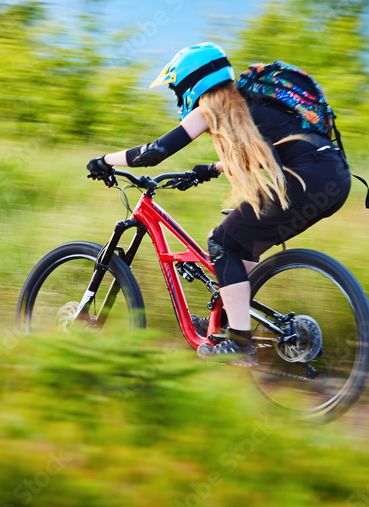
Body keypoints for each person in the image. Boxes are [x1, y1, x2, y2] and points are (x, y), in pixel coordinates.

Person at [86, 42, 352, 365]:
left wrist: (105, 160)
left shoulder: (210, 108)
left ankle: (239, 341)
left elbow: (154, 152)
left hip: (307, 180)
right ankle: (226, 322)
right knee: (243, 243)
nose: (178, 98)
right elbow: (265, 149)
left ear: (191, 84)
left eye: (176, 90)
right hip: (334, 178)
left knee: (221, 241)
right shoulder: (244, 102)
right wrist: (209, 170)